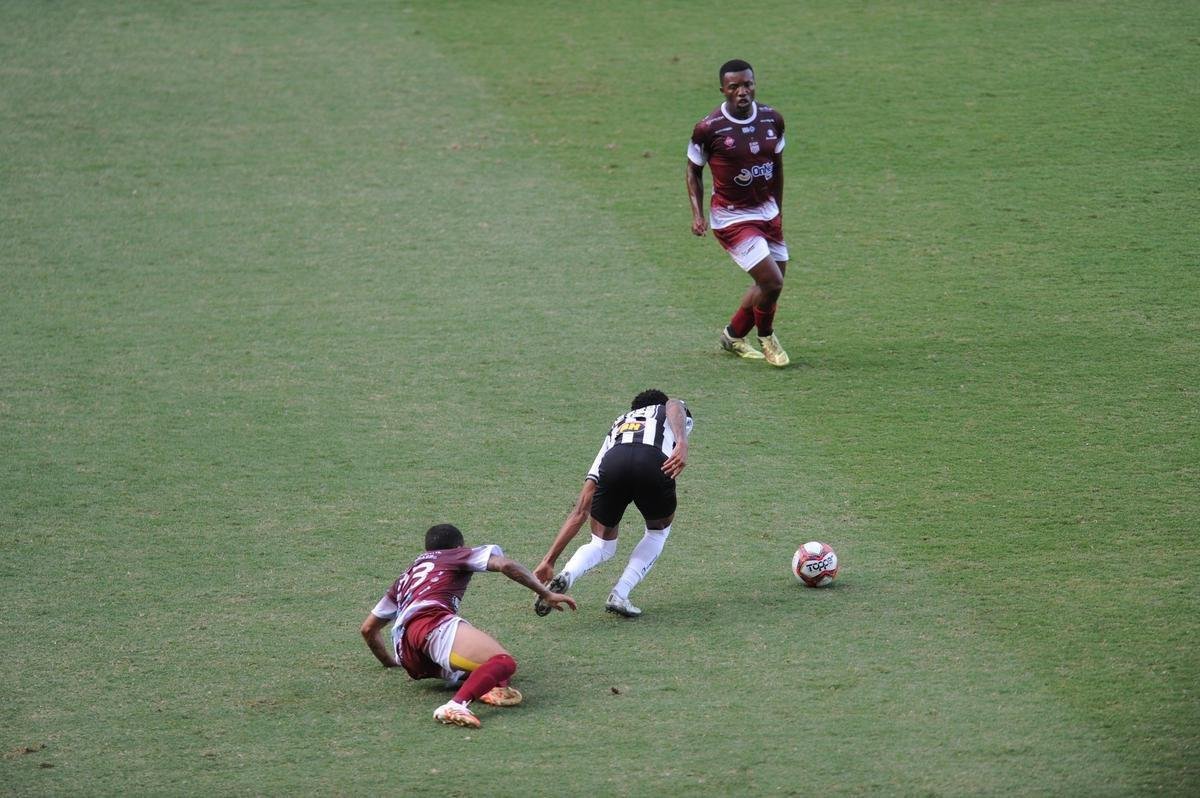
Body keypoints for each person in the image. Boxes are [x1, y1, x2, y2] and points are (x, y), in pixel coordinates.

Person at [360, 523, 576, 728]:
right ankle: (455, 705)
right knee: (504, 662)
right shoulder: (453, 555)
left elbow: (368, 629)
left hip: (411, 656)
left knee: (497, 674)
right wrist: (545, 593)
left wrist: (391, 662)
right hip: (431, 624)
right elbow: (505, 565)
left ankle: (483, 689)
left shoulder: (406, 577)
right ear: (459, 546)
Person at [533, 389, 692, 618]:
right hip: (652, 463)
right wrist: (682, 443)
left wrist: (549, 560)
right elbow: (675, 404)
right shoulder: (665, 410)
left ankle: (568, 573)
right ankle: (620, 593)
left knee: (601, 544)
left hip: (614, 461)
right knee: (657, 532)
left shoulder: (618, 425)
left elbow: (580, 510)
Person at [686, 58, 791, 367]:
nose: (742, 91)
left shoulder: (773, 119)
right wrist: (697, 214)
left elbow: (777, 168)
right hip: (731, 218)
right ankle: (767, 338)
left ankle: (733, 336)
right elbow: (693, 171)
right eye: (734, 87)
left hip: (767, 214)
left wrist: (779, 210)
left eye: (747, 84)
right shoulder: (709, 128)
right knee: (772, 282)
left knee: (767, 287)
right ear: (723, 90)